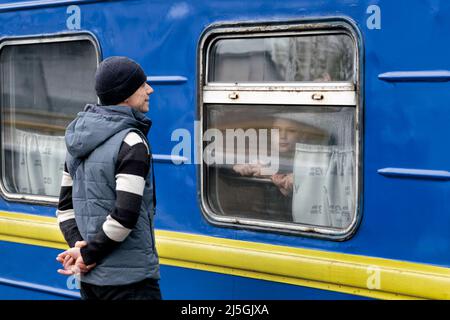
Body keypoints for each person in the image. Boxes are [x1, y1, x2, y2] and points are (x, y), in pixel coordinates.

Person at [55, 56, 161, 300]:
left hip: (91, 283)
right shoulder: (131, 141)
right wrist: (88, 254)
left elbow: (64, 210)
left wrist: (80, 248)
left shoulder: (77, 140)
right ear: (125, 94)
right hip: (131, 283)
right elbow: (124, 217)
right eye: (142, 84)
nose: (149, 90)